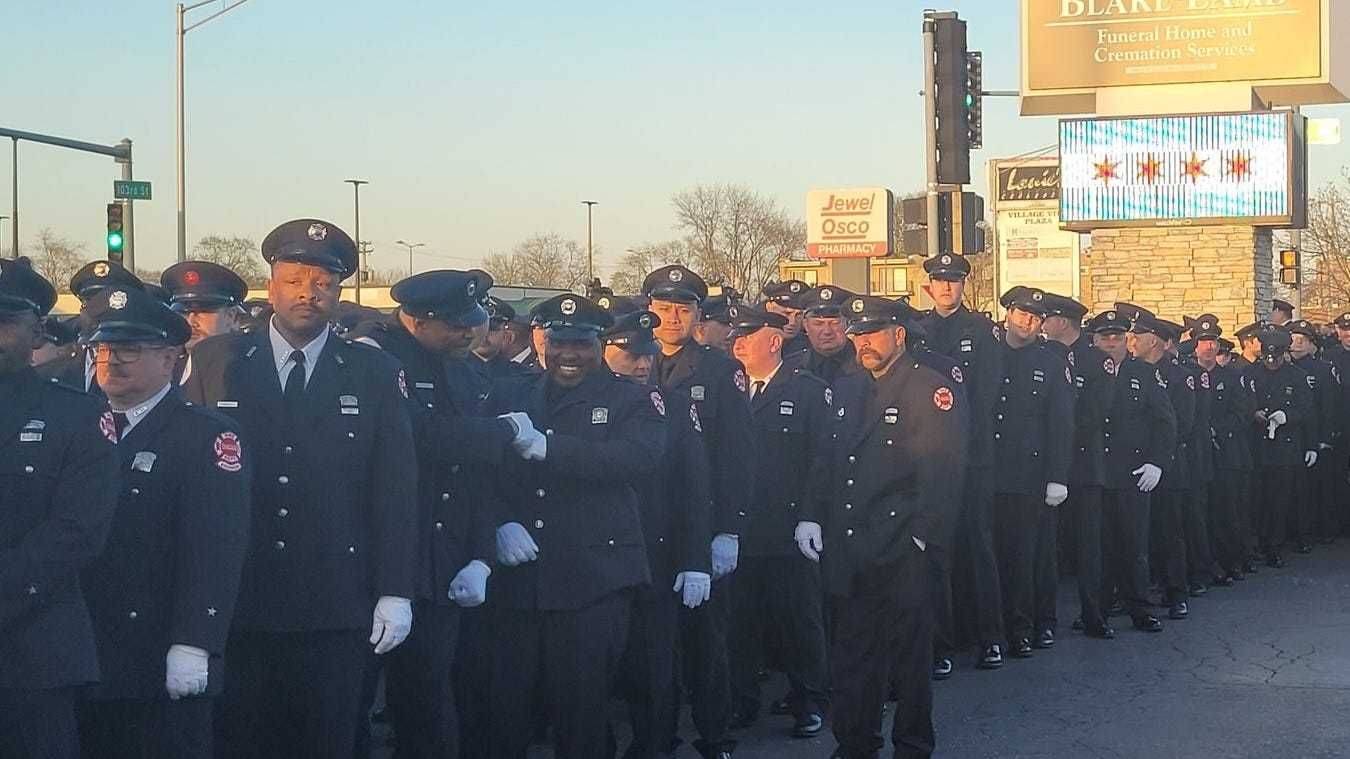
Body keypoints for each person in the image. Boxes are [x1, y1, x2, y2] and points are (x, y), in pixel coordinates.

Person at [183, 218, 419, 759]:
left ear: (338, 293)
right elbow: (191, 479)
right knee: (241, 740)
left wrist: (395, 589)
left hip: (335, 600)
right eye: (293, 280)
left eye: (322, 283)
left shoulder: (373, 371)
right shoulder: (217, 360)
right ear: (271, 286)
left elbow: (395, 489)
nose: (307, 294)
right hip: (240, 597)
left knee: (328, 739)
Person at [354, 270, 550, 758]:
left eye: (472, 323)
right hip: (370, 557)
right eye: (456, 327)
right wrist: (505, 432)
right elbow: (421, 436)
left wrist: (481, 553)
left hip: (439, 557)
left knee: (429, 699)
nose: (469, 335)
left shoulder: (465, 371)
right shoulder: (374, 360)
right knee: (350, 702)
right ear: (417, 320)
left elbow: (473, 473)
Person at [482, 293, 665, 758]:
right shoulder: (512, 393)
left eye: (581, 344)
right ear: (543, 343)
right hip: (520, 581)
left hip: (593, 581)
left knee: (581, 714)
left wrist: (551, 448)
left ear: (599, 345)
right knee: (504, 713)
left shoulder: (632, 398)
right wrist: (500, 522)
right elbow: (482, 473)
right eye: (559, 342)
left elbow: (637, 459)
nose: (568, 354)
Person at [75, 285, 251, 759]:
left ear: (171, 358)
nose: (112, 360)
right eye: (103, 349)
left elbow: (216, 550)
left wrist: (195, 641)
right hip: (84, 649)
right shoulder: (78, 426)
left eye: (130, 349)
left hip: (157, 649)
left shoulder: (204, 436)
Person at [798, 294, 965, 759]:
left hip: (903, 544)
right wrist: (810, 514)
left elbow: (944, 470)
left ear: (899, 334)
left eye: (873, 334)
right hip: (852, 542)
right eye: (858, 335)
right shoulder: (849, 387)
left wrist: (923, 537)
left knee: (910, 659)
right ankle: (855, 742)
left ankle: (912, 745)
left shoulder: (929, 387)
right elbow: (828, 458)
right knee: (854, 654)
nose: (864, 343)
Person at [0, 258, 120, 759]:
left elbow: (78, 530)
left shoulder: (76, 414)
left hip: (33, 653)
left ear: (37, 332)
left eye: (5, 322)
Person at [644, 265, 755, 759]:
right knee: (652, 647)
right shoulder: (632, 362)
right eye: (663, 309)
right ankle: (656, 737)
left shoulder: (720, 371)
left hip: (702, 523)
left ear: (697, 316)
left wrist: (729, 529)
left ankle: (715, 737)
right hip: (648, 527)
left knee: (706, 642)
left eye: (683, 309)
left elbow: (737, 456)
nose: (672, 319)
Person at [602, 305, 714, 759]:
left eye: (648, 355)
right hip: (596, 561)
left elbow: (694, 487)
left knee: (653, 670)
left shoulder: (675, 406)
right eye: (631, 354)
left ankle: (654, 746)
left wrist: (695, 559)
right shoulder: (580, 403)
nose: (642, 364)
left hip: (655, 556)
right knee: (591, 674)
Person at [723, 304, 831, 739]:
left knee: (798, 620)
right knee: (740, 621)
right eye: (736, 336)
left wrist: (811, 516)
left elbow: (821, 461)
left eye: (747, 336)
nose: (738, 343)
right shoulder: (728, 388)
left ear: (773, 341)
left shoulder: (807, 391)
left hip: (788, 528)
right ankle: (742, 699)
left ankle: (809, 701)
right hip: (739, 527)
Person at [918, 253, 1005, 670]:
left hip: (972, 455)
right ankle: (939, 644)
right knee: (935, 549)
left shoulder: (983, 331)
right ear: (930, 286)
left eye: (953, 280)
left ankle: (989, 637)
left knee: (979, 545)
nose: (947, 287)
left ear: (963, 285)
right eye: (940, 280)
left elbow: (985, 395)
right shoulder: (918, 330)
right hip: (931, 457)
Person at [990, 287, 1074, 657]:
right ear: (1008, 314)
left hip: (1032, 475)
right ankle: (995, 626)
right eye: (1022, 314)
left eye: (1036, 317)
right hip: (992, 471)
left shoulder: (1051, 363)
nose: (1027, 322)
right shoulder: (989, 355)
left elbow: (1061, 424)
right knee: (996, 556)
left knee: (1030, 557)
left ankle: (1031, 625)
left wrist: (1058, 476)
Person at [1089, 306, 1175, 633]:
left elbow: (1165, 422)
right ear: (1094, 340)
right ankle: (1096, 610)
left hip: (1133, 473)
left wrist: (1157, 462)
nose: (1110, 342)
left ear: (1126, 339)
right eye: (1104, 337)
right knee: (1097, 548)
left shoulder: (1143, 373)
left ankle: (1140, 607)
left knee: (1134, 546)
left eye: (1116, 336)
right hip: (1094, 473)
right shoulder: (1084, 369)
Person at [1041, 293, 1115, 639]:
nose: (1043, 324)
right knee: (1047, 545)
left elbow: (1095, 413)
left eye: (1047, 318)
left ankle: (1093, 613)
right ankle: (1044, 618)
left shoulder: (1096, 361)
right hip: (1049, 465)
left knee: (1089, 545)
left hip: (1083, 465)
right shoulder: (1045, 355)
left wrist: (1061, 435)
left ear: (1061, 322)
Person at [1120, 308, 1194, 622]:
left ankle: (1176, 592)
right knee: (1135, 535)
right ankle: (1133, 591)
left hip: (1168, 464)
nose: (1131, 341)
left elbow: (1183, 423)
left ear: (1154, 341)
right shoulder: (1127, 370)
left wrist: (1158, 459)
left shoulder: (1178, 375)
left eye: (1137, 336)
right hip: (1133, 466)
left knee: (1169, 531)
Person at [1189, 316, 1255, 582]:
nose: (1209, 347)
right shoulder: (1188, 376)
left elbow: (1242, 413)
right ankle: (1205, 564)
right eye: (1203, 341)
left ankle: (1231, 561)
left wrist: (1217, 429)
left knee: (1227, 511)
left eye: (1213, 341)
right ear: (1195, 345)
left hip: (1225, 453)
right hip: (1198, 455)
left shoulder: (1231, 377)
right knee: (1200, 513)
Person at [1246, 326, 1315, 569]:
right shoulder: (1250, 374)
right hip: (1256, 446)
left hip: (1284, 448)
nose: (1271, 362)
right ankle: (1256, 543)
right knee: (1256, 498)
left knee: (1279, 501)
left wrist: (1288, 416)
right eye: (1267, 357)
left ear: (1283, 354)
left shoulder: (1297, 376)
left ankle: (1274, 546)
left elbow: (1307, 410)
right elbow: (1241, 403)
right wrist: (1253, 413)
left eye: (1275, 358)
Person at [40, 260, 145, 396]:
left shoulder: (148, 371)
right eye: (90, 303)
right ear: (82, 309)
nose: (98, 313)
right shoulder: (48, 375)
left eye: (109, 304)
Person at [1288, 319, 1339, 548]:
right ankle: (1298, 531)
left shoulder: (1323, 369)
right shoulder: (1284, 368)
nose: (1297, 344)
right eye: (1293, 339)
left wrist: (1325, 438)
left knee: (1320, 487)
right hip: (1293, 436)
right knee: (1296, 489)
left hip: (1317, 434)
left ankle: (1324, 528)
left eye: (1303, 340)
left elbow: (1329, 407)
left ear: (1312, 344)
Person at [161, 260, 248, 385]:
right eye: (184, 312)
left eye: (203, 311)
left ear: (230, 317)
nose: (191, 321)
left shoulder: (248, 374)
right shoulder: (164, 376)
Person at [794, 285, 863, 385]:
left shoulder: (865, 364)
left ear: (848, 324)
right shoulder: (791, 369)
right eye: (818, 324)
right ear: (806, 325)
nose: (827, 331)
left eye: (835, 323)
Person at [761, 280, 810, 358]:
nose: (792, 322)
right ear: (769, 308)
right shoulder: (749, 344)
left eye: (798, 315)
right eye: (786, 314)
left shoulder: (810, 347)